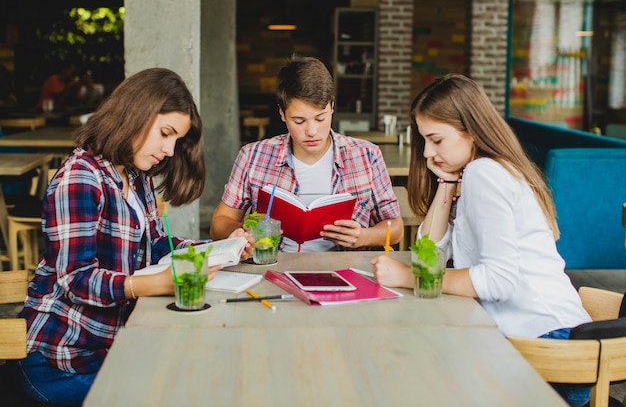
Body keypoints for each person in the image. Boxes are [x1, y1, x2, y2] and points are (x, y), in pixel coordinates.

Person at [11, 68, 253, 406]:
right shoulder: (81, 179)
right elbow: (76, 280)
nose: (169, 150)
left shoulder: (136, 176)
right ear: (137, 113)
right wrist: (151, 285)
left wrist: (222, 249)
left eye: (176, 140)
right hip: (59, 361)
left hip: (106, 349)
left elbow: (155, 245)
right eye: (166, 133)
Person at [370, 74, 592, 407]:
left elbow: (498, 281)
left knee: (408, 374)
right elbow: (427, 253)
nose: (428, 152)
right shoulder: (482, 171)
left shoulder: (485, 174)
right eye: (424, 140)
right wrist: (445, 183)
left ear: (471, 131)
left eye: (437, 140)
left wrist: (408, 278)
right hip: (558, 346)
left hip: (550, 351)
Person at [210, 55, 403, 252]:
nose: (311, 131)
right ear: (282, 114)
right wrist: (241, 232)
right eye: (299, 121)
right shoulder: (253, 156)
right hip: (275, 269)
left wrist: (363, 236)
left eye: (320, 118)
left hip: (346, 271)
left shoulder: (366, 156)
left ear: (332, 106)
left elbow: (396, 228)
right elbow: (219, 222)